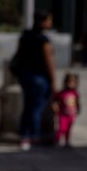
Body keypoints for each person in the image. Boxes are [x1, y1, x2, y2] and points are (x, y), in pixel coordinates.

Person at [14, 10, 56, 151]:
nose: (50, 23)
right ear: (43, 22)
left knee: (28, 106)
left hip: (25, 75)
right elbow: (48, 61)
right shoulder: (43, 40)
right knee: (36, 108)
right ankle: (33, 135)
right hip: (39, 77)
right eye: (49, 20)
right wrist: (53, 81)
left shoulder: (25, 36)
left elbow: (18, 55)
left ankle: (24, 135)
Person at [51, 73, 81, 148]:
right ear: (65, 82)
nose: (71, 84)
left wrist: (78, 109)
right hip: (62, 114)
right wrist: (55, 106)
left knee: (68, 129)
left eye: (73, 82)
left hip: (71, 114)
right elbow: (54, 100)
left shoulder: (75, 93)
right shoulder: (61, 93)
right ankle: (57, 141)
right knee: (61, 128)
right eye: (69, 82)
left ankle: (67, 141)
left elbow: (77, 102)